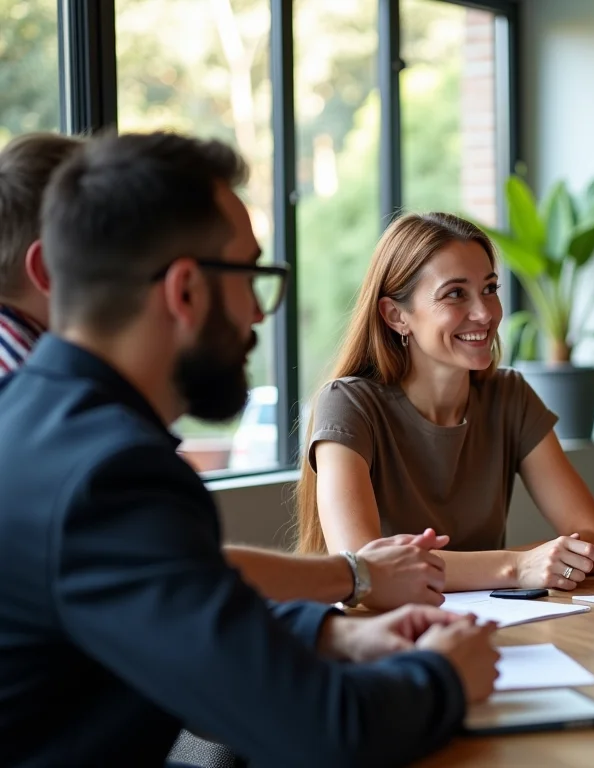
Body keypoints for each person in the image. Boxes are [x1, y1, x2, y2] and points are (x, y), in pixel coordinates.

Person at [0, 131, 500, 766]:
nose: (259, 317)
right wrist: (447, 675)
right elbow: (323, 732)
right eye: (252, 277)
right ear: (185, 291)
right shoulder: (111, 475)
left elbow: (179, 611)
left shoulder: (32, 419)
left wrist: (339, 635)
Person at [0, 131, 446, 612]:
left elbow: (179, 580)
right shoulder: (91, 451)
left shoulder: (44, 407)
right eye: (249, 275)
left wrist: (339, 623)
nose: (257, 313)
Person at [294, 212, 594, 591]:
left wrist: (521, 564)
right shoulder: (349, 404)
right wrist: (516, 566)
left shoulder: (509, 396)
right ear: (396, 315)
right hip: (376, 636)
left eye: (489, 288)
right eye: (455, 294)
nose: (484, 314)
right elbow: (363, 567)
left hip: (488, 627)